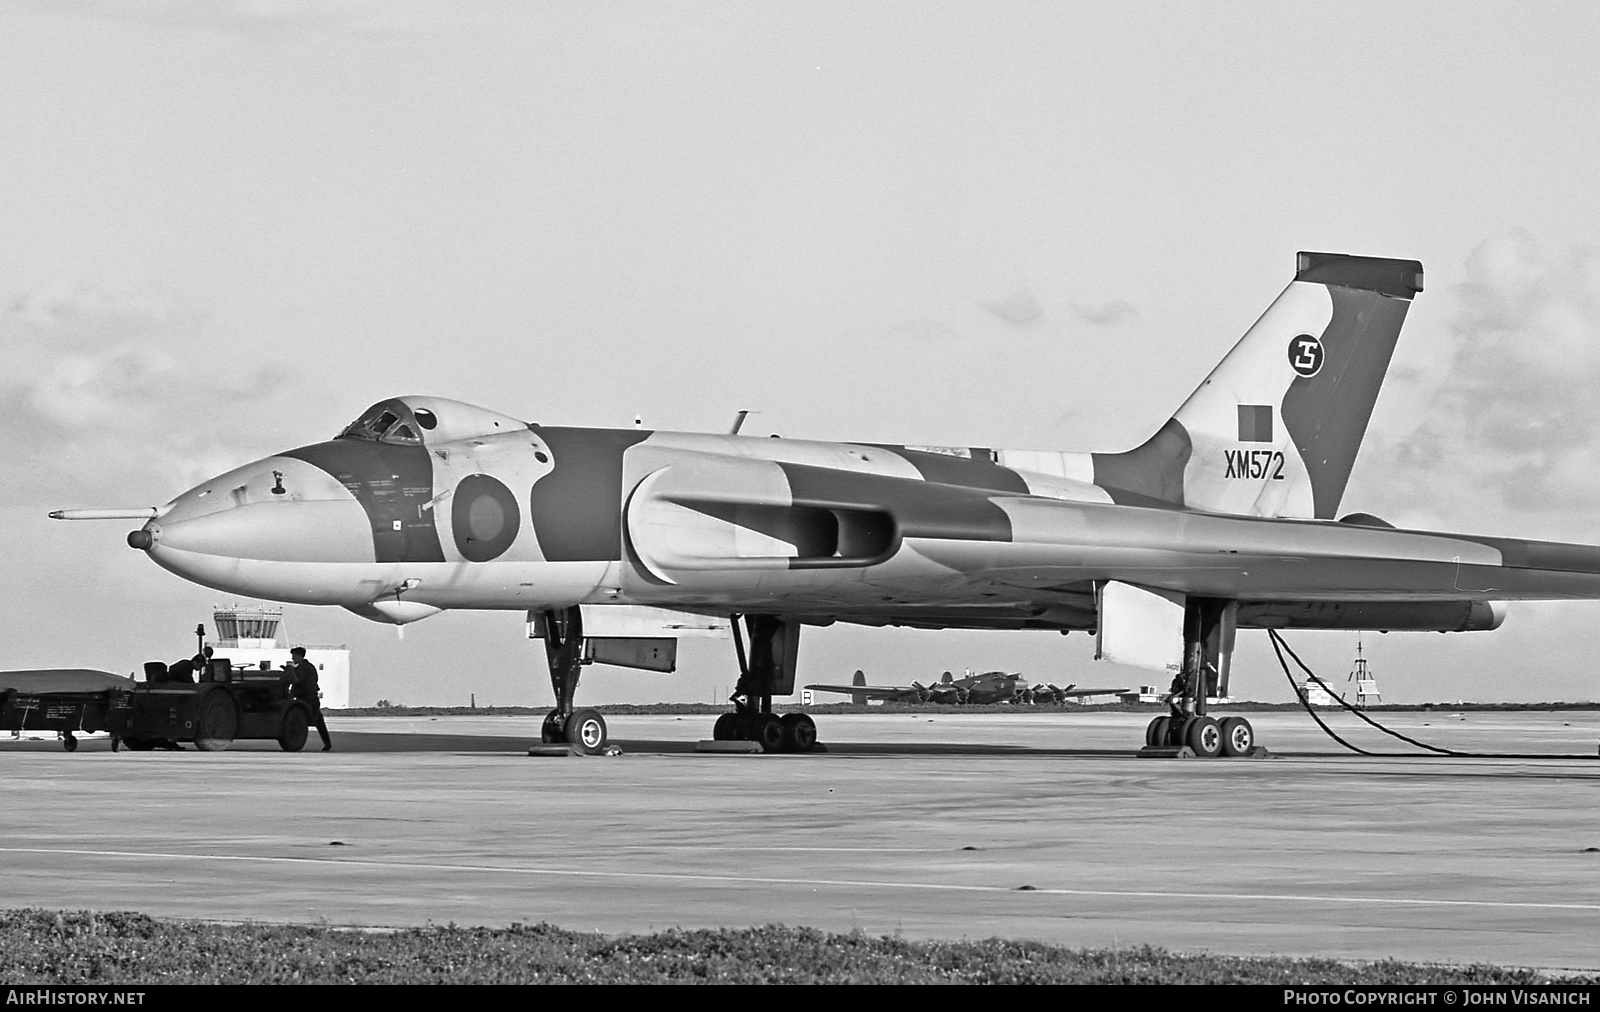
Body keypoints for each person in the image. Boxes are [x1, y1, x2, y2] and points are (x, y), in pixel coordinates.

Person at [287, 646, 332, 751]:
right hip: (310, 697)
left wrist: (292, 693)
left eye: (294, 656)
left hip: (308, 698)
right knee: (318, 722)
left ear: (299, 656)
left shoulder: (303, 668)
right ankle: (327, 743)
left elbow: (298, 682)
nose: (293, 658)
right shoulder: (308, 667)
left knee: (316, 721)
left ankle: (326, 743)